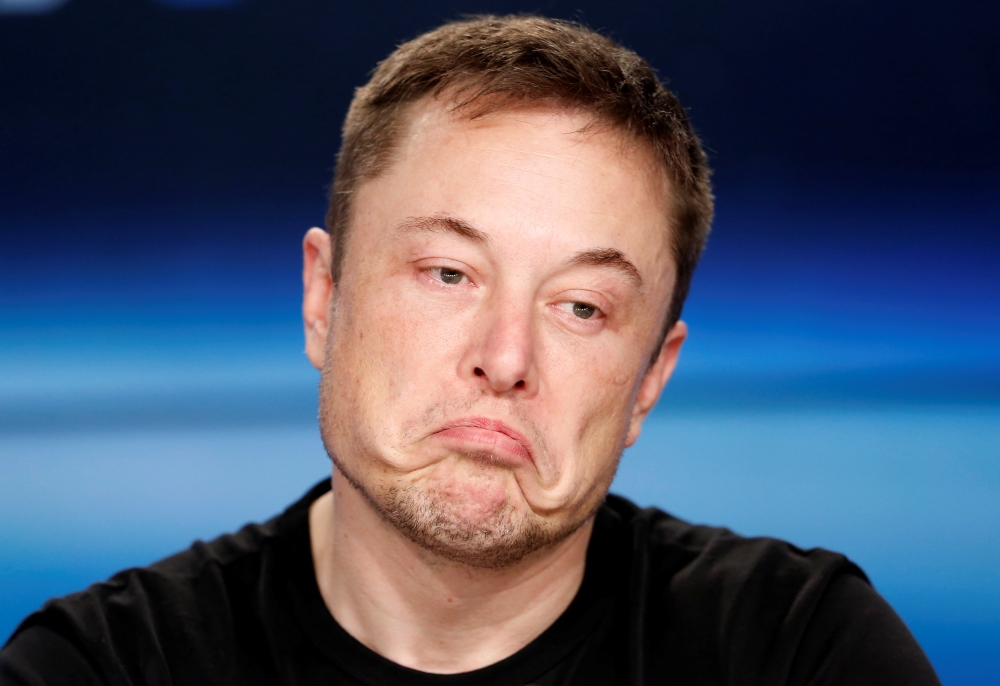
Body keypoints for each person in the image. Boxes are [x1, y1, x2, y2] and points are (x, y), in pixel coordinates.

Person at [0, 15, 940, 685]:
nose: (505, 356)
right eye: (449, 274)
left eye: (579, 306)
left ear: (652, 378)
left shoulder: (800, 648)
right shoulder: (101, 665)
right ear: (324, 299)